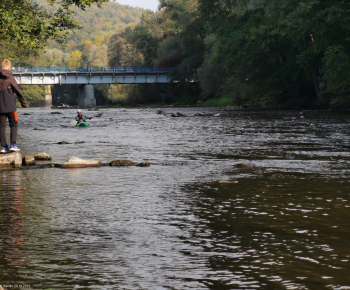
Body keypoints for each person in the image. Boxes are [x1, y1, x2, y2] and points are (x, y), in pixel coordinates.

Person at [0, 59, 27, 153]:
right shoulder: (11, 78)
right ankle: (13, 145)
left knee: (1, 127)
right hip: (11, 106)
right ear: (8, 68)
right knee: (14, 124)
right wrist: (23, 103)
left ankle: (3, 147)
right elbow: (17, 91)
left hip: (0, 107)